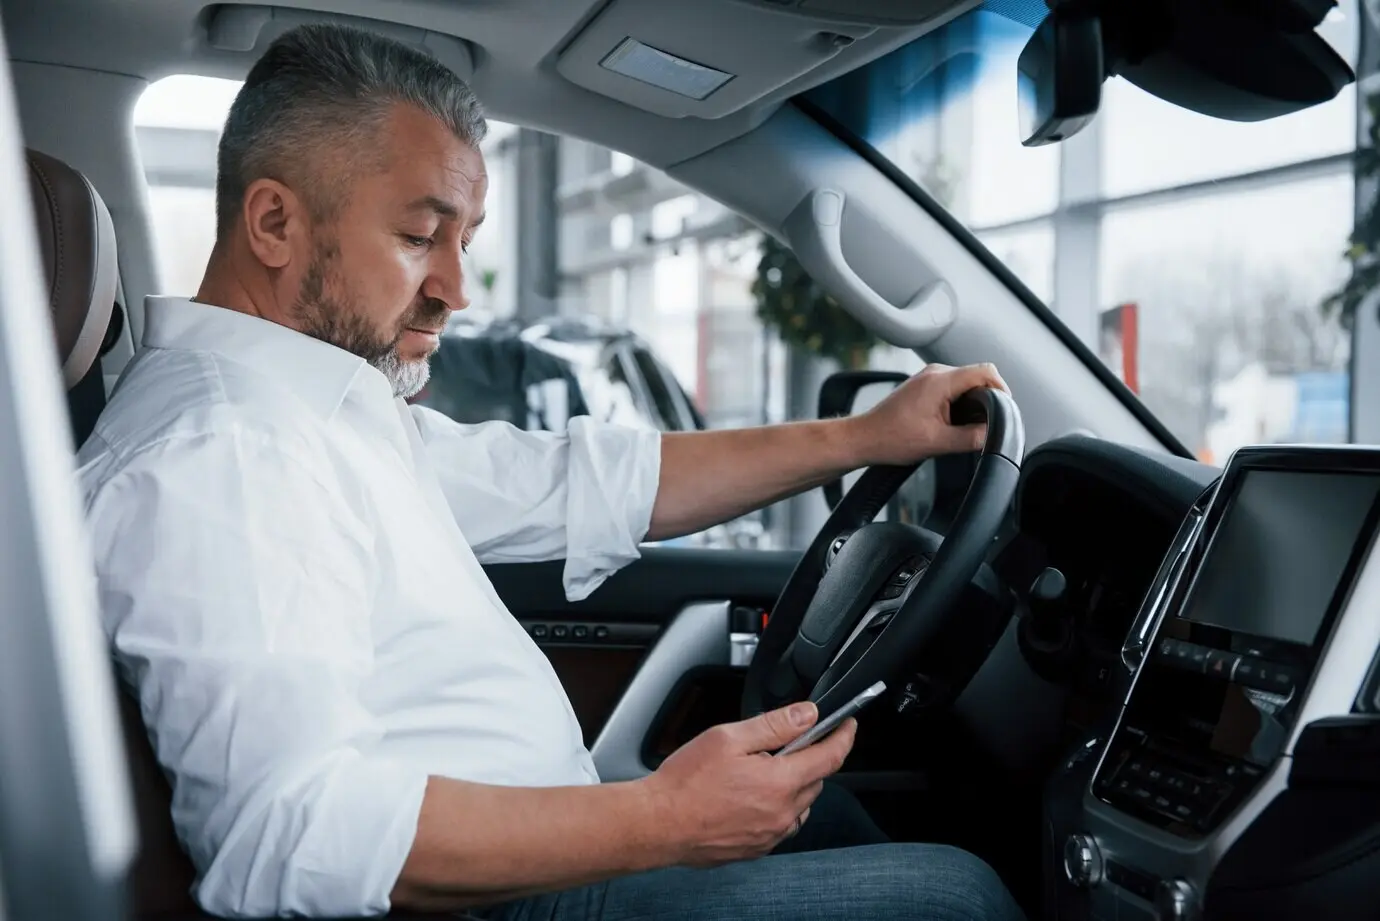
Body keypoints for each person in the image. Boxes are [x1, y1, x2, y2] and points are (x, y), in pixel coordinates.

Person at [78, 22, 1026, 921]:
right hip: (499, 901)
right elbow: (290, 833)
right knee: (961, 895)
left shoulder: (313, 410)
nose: (454, 286)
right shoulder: (226, 455)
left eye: (465, 240)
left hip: (540, 858)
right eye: (419, 236)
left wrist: (868, 435)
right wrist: (665, 817)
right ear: (275, 222)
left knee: (838, 817)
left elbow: (588, 485)